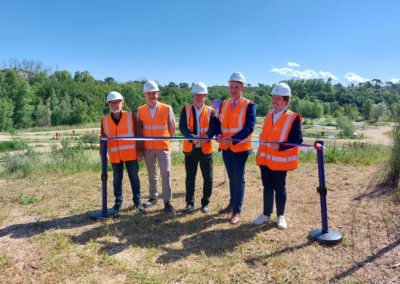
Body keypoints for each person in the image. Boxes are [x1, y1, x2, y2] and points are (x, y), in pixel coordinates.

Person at [254, 82, 303, 229]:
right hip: (265, 159)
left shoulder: (293, 117)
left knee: (280, 188)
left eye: (278, 99)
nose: (274, 102)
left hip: (280, 161)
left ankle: (280, 216)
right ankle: (266, 214)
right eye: (273, 98)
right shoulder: (269, 114)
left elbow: (298, 140)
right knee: (267, 187)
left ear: (286, 101)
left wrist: (281, 146)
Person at [216, 72, 256, 224]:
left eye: (236, 87)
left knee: (238, 179)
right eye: (231, 87)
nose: (233, 90)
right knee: (232, 177)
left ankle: (237, 212)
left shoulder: (249, 105)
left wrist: (232, 139)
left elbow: (249, 128)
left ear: (242, 88)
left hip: (241, 148)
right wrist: (219, 134)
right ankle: (232, 204)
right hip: (226, 148)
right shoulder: (224, 104)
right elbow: (219, 123)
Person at [100, 91, 145, 213]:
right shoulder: (104, 119)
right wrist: (103, 155)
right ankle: (118, 202)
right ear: (109, 105)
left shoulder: (131, 116)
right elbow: (102, 138)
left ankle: (137, 202)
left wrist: (140, 151)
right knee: (116, 179)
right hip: (115, 156)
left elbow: (139, 134)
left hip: (131, 154)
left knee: (134, 178)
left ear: (122, 103)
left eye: (116, 102)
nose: (114, 105)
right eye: (111, 103)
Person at [179, 82, 218, 214]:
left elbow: (213, 127)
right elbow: (182, 126)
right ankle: (189, 203)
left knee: (208, 178)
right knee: (190, 177)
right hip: (190, 150)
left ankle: (205, 203)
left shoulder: (211, 111)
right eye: (195, 94)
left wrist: (208, 135)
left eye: (200, 95)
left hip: (206, 149)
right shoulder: (186, 109)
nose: (197, 97)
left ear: (205, 96)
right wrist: (190, 136)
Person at [137, 81, 176, 213]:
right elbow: (139, 131)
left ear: (158, 94)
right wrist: (141, 150)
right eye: (149, 93)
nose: (152, 96)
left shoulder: (166, 108)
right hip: (148, 147)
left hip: (163, 146)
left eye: (154, 93)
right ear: (145, 95)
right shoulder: (140, 110)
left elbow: (172, 128)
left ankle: (167, 200)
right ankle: (153, 197)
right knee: (152, 174)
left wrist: (167, 142)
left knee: (166, 173)